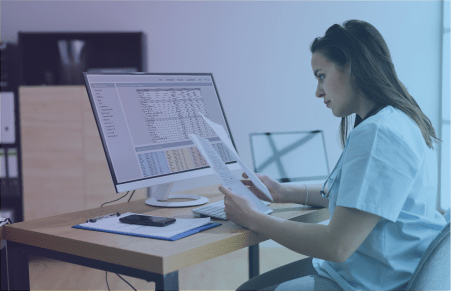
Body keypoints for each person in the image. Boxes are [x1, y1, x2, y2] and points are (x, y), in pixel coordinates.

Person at [219, 19, 447, 291]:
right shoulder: (400, 119)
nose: (317, 91)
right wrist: (282, 191)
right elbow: (358, 197)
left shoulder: (378, 134)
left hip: (376, 281)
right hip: (393, 269)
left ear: (351, 67)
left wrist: (253, 219)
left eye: (321, 75)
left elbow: (335, 246)